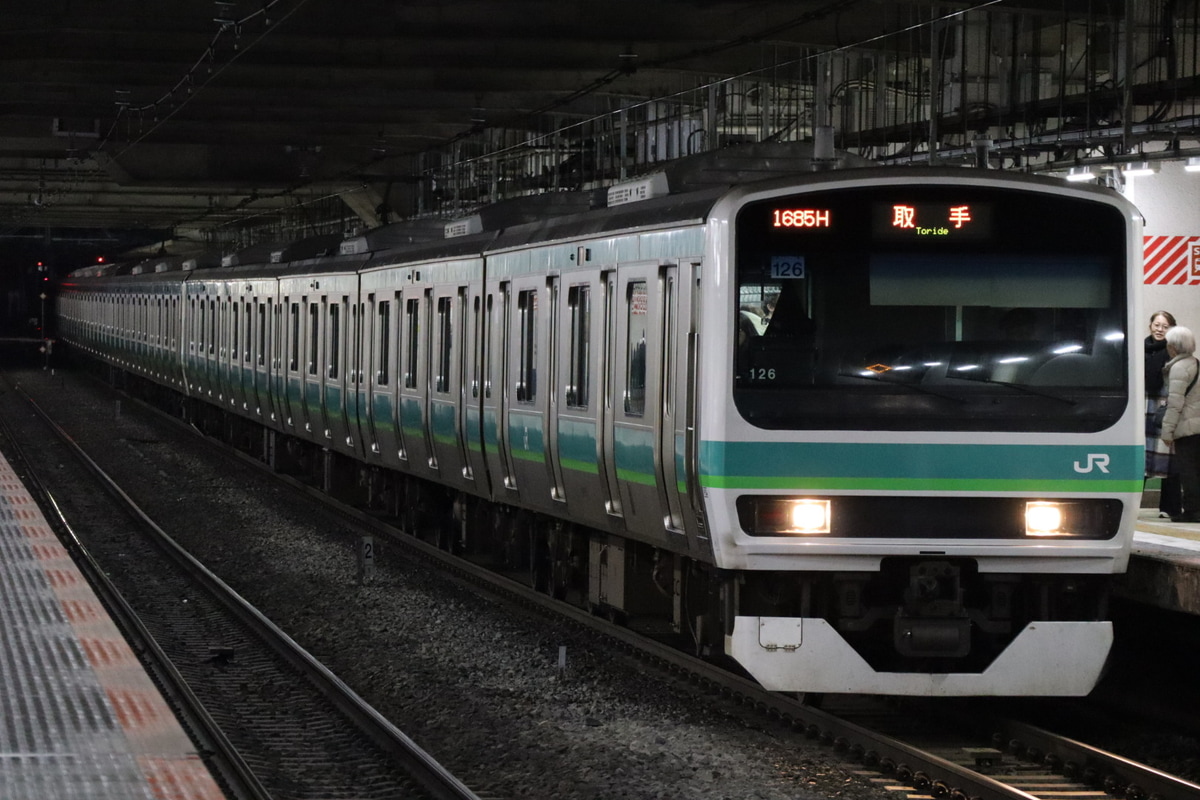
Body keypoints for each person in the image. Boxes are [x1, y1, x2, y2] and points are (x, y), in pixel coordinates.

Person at [1158, 325, 1200, 522]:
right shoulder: (1196, 364)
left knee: (1189, 470)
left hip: (1187, 428)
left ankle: (1192, 511)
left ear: (1174, 347)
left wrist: (1167, 432)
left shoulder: (1178, 368)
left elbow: (1175, 404)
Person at [1145, 311, 1178, 515]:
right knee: (1140, 458)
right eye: (1157, 325)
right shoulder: (1139, 348)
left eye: (1165, 326)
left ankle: (1170, 507)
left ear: (1171, 329)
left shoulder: (1175, 351)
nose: (1159, 329)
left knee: (1170, 459)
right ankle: (1133, 504)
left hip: (1163, 408)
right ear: (1150, 326)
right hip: (1142, 408)